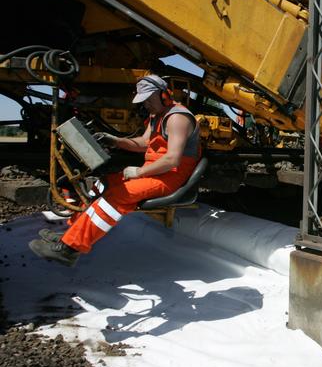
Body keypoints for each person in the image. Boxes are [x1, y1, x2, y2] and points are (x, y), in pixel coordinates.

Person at [29, 74, 201, 266]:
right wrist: (115, 140)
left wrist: (138, 173)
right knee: (103, 184)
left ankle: (70, 249)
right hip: (155, 171)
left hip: (170, 176)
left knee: (117, 195)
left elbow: (172, 159)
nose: (145, 105)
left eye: (148, 100)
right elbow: (144, 143)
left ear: (163, 95)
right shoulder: (157, 116)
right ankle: (71, 233)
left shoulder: (177, 118)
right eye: (142, 101)